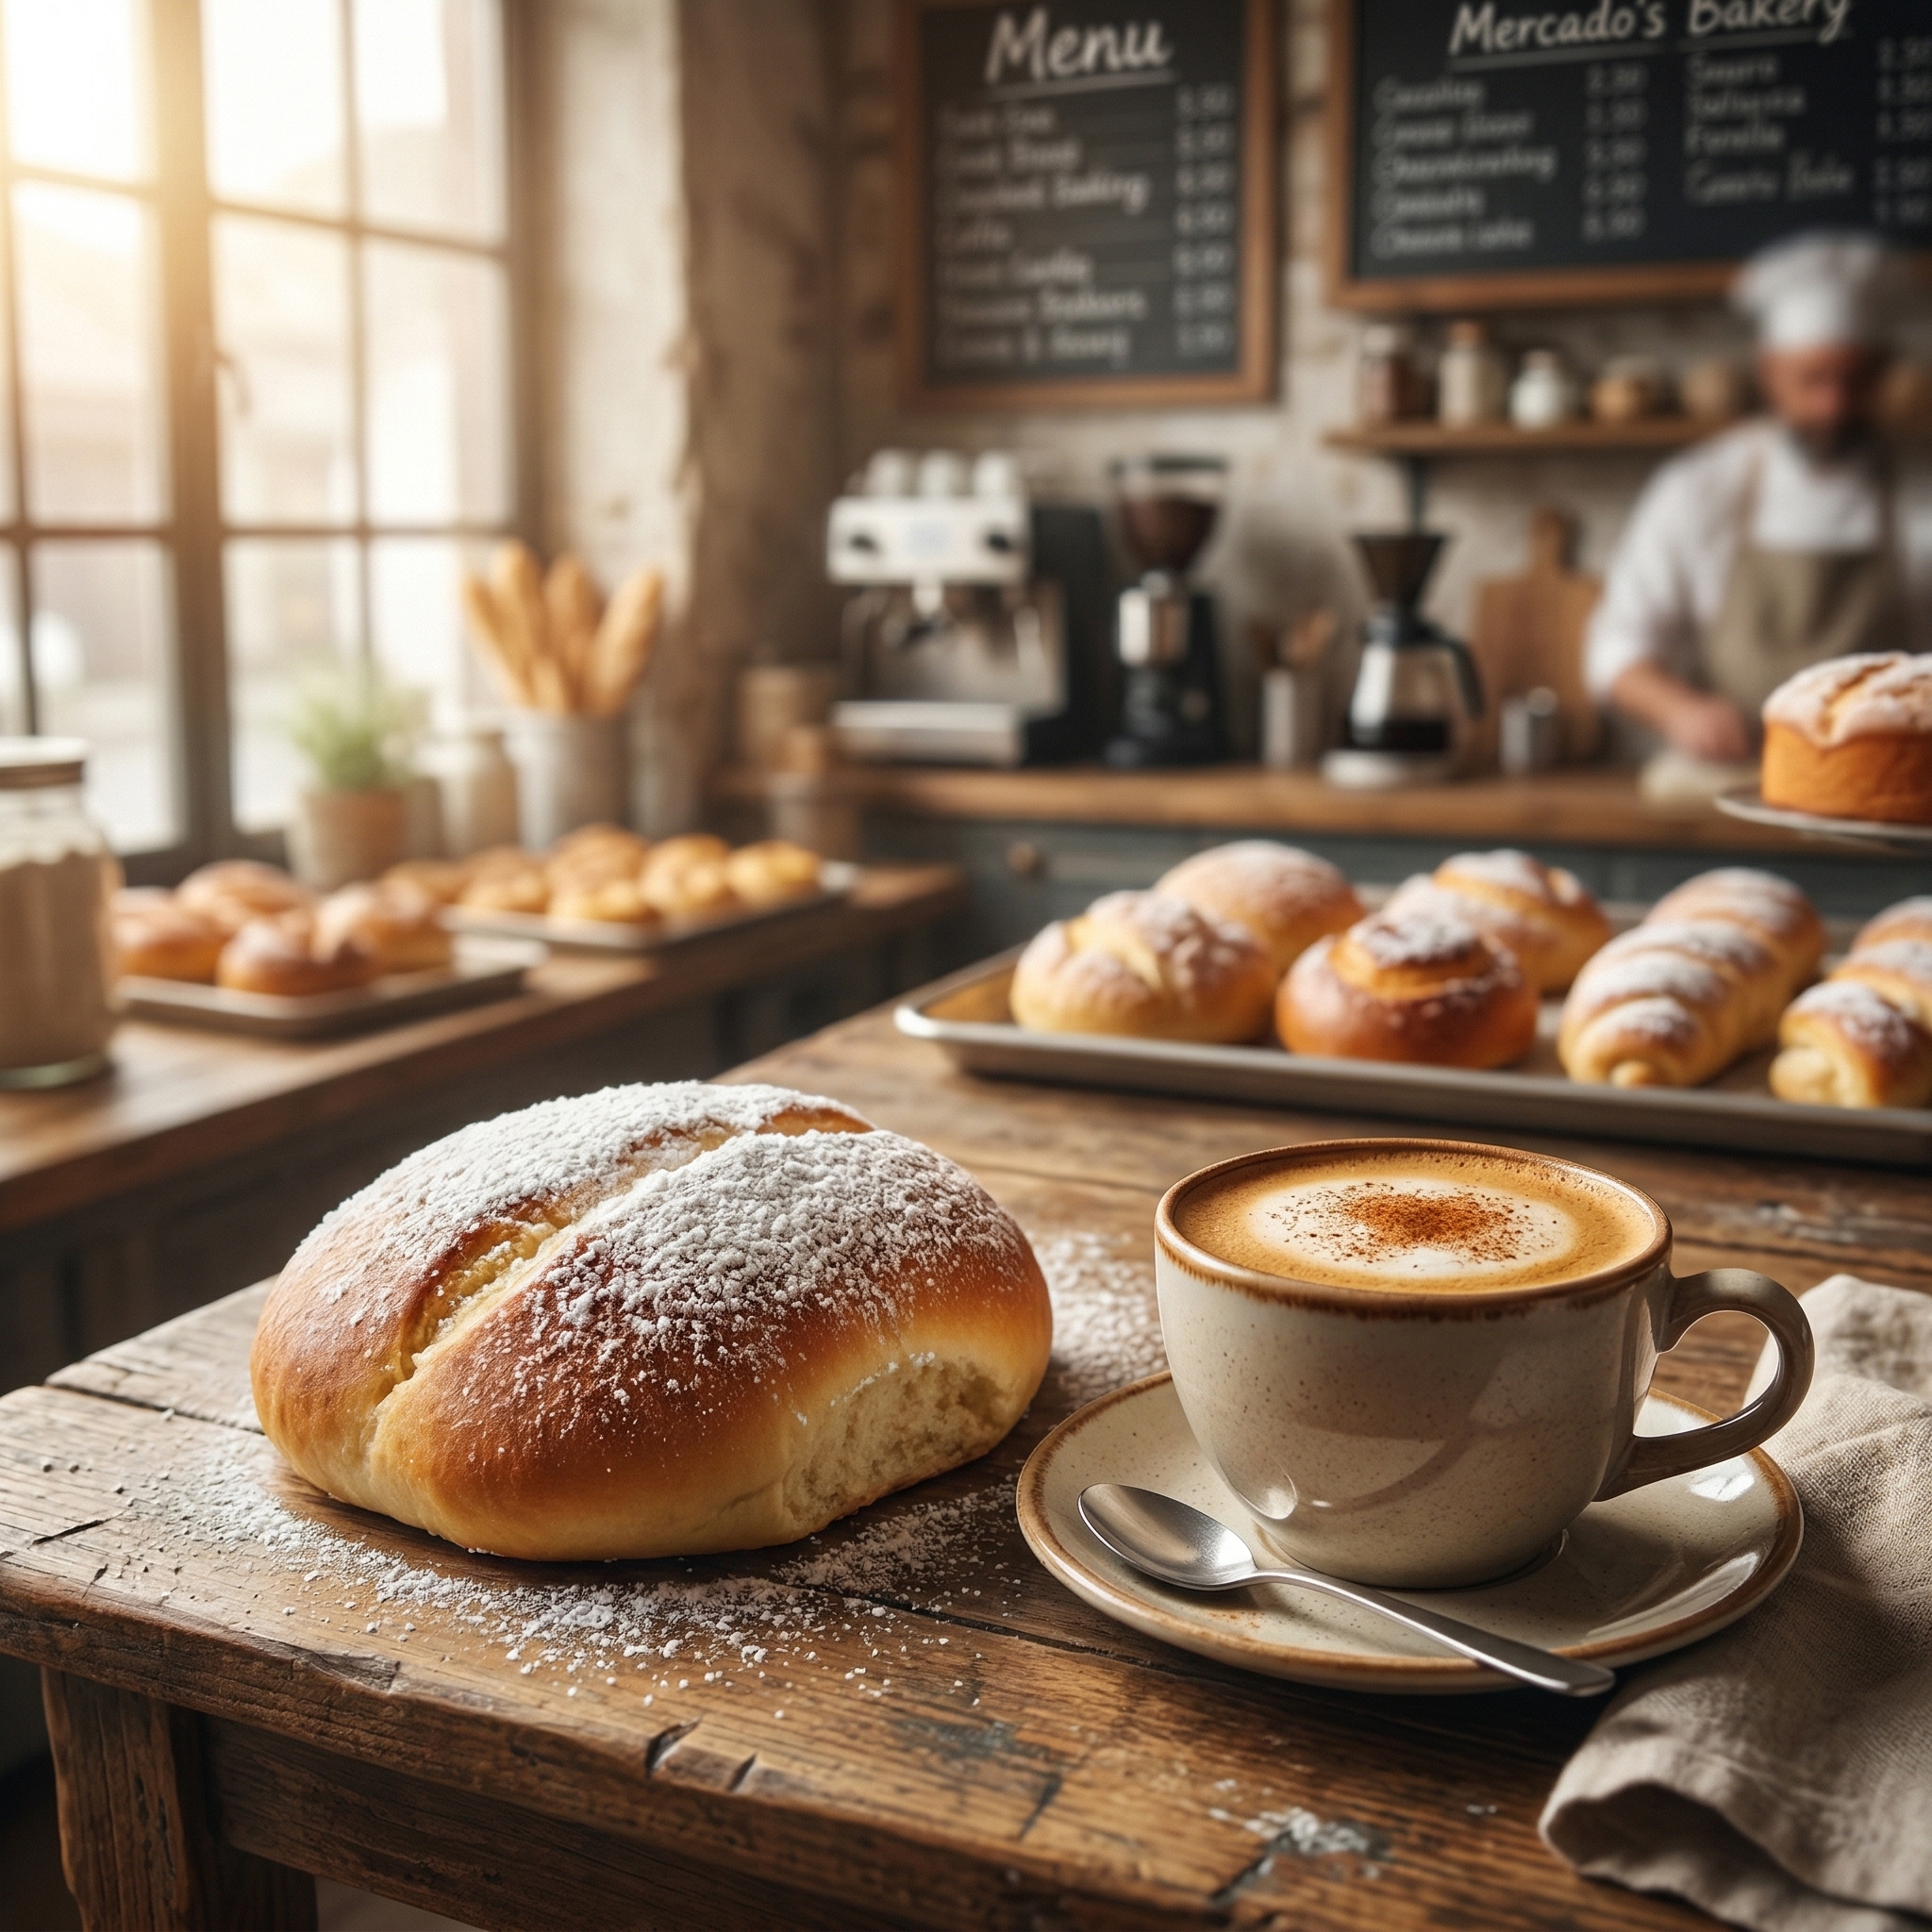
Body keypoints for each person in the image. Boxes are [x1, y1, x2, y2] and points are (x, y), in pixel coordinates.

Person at [1586, 232, 1931, 766]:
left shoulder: (1919, 490)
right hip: (1731, 776)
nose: (1833, 405)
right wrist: (1682, 711)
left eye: (1853, 381)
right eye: (1812, 380)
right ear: (1769, 371)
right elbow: (1616, 647)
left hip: (1879, 781)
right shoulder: (1699, 487)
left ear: (1882, 374)